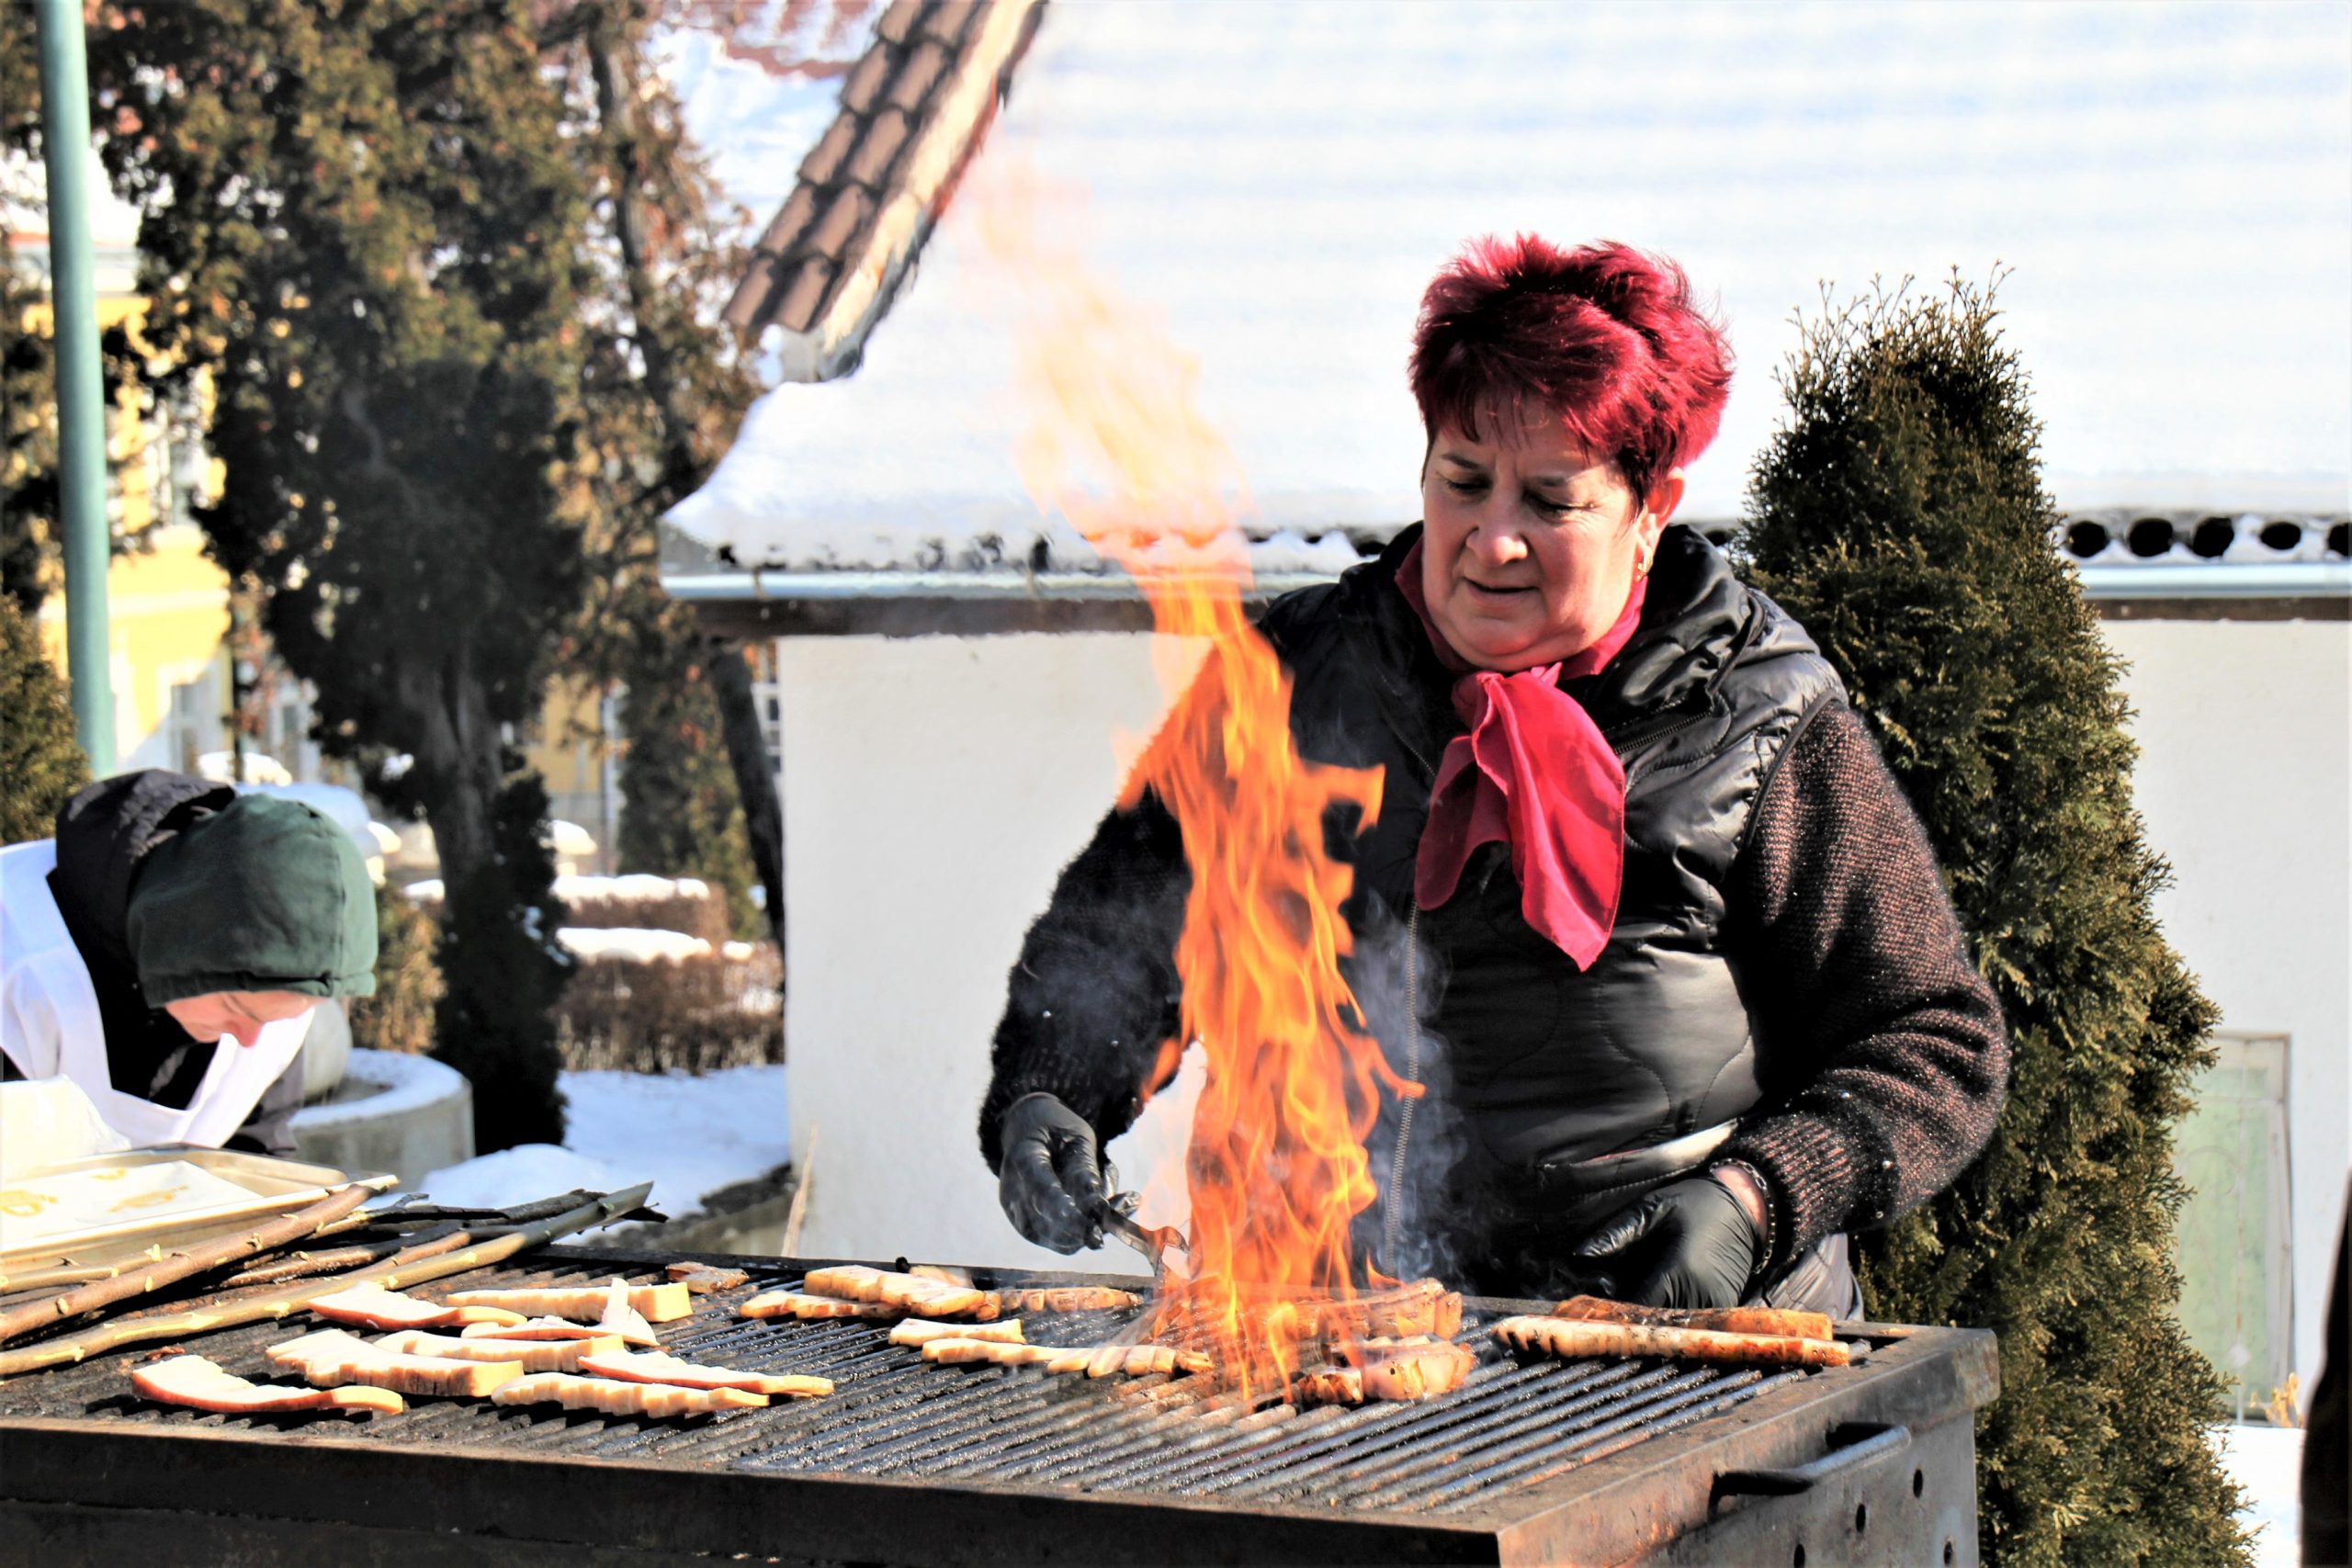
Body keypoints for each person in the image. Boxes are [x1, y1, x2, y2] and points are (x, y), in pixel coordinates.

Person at [977, 236, 2010, 1314]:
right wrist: (1051, 1092)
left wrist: (1757, 1198)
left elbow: (1933, 1039)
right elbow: (1122, 936)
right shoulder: (1283, 677)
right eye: (1463, 483)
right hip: (1312, 1339)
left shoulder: (1762, 713)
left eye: (1551, 502)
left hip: (1656, 1345)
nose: (1493, 540)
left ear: (1650, 510)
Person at [1, 769, 378, 1153]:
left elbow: (257, 1154)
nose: (250, 1038)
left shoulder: (277, 1007)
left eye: (276, 1018)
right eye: (235, 1006)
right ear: (181, 940)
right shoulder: (18, 952)